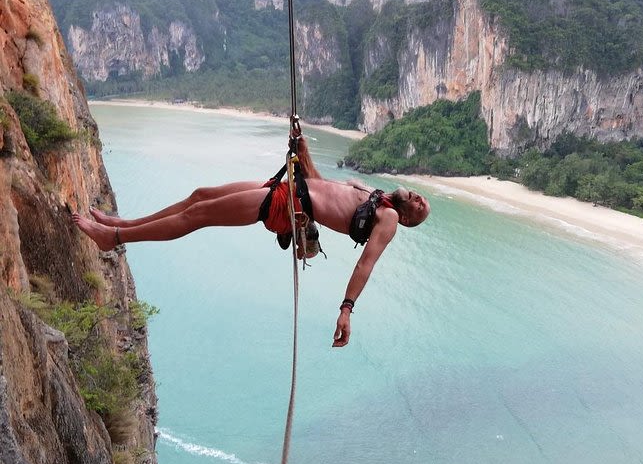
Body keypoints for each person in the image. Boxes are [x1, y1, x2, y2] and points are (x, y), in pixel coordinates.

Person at [72, 132, 430, 347]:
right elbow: (323, 186)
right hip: (289, 188)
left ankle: (114, 237)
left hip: (285, 204)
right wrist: (302, 151)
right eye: (419, 196)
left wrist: (346, 309)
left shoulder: (389, 218)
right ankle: (126, 223)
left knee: (197, 216)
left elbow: (365, 264)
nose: (417, 198)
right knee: (200, 195)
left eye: (420, 206)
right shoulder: (376, 195)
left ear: (409, 220)